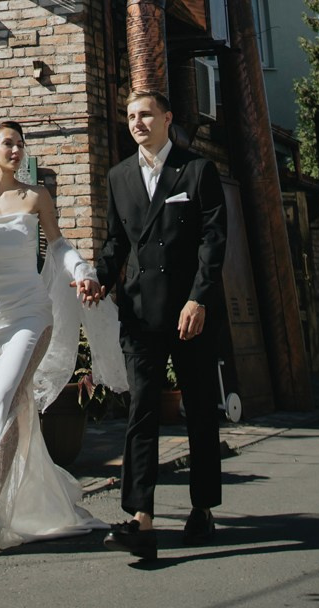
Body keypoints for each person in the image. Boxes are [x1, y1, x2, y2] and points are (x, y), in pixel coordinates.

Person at [0, 119, 125, 558]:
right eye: (8, 144)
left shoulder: (36, 196)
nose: (17, 151)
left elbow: (57, 245)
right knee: (14, 405)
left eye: (21, 144)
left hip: (32, 311)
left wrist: (82, 272)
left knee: (5, 398)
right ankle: (35, 498)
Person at [87, 89, 227, 561]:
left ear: (168, 118)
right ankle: (140, 518)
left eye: (146, 114)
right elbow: (114, 244)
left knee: (201, 411)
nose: (137, 122)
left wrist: (199, 299)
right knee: (142, 411)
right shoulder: (119, 175)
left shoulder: (197, 170)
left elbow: (213, 241)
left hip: (191, 314)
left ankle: (202, 506)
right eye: (130, 116)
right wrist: (99, 280)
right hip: (141, 315)